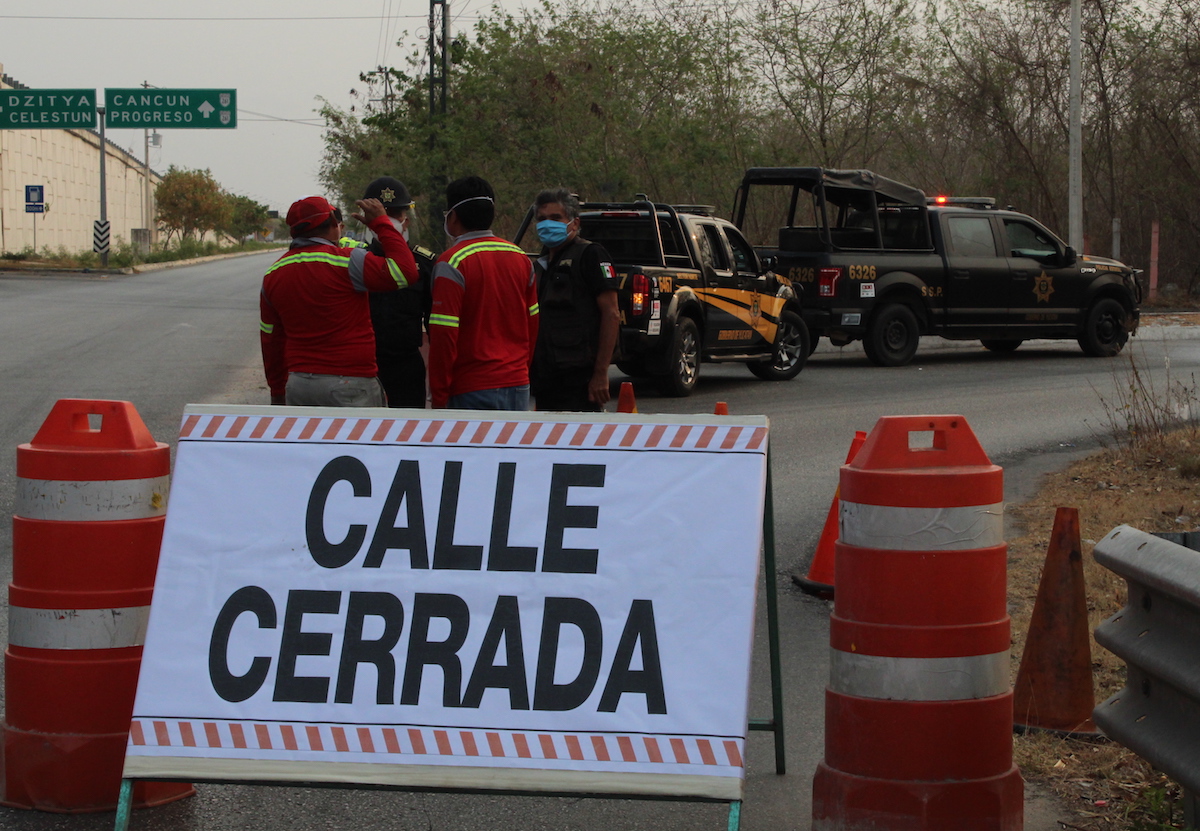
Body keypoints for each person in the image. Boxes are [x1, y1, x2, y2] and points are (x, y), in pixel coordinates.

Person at [260, 194, 418, 407]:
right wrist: (381, 223)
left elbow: (271, 341)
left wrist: (277, 392)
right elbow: (405, 272)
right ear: (334, 225)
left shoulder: (273, 274)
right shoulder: (348, 261)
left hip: (299, 386)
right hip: (350, 384)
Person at [427, 176, 539, 410]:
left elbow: (444, 336)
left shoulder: (452, 262)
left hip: (471, 388)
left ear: (453, 216)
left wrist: (439, 396)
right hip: (518, 384)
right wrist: (519, 370)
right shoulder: (521, 258)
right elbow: (533, 324)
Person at [529, 188, 620, 411]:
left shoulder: (590, 255)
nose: (547, 224)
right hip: (546, 378)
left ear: (575, 223)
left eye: (555, 218)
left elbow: (611, 313)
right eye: (541, 219)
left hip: (580, 379)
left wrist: (600, 373)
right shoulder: (540, 265)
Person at [362, 176, 438, 409]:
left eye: (394, 214)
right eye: (381, 214)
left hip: (406, 364)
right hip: (363, 366)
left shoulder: (425, 263)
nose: (387, 221)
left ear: (406, 219)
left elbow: (435, 324)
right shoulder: (356, 260)